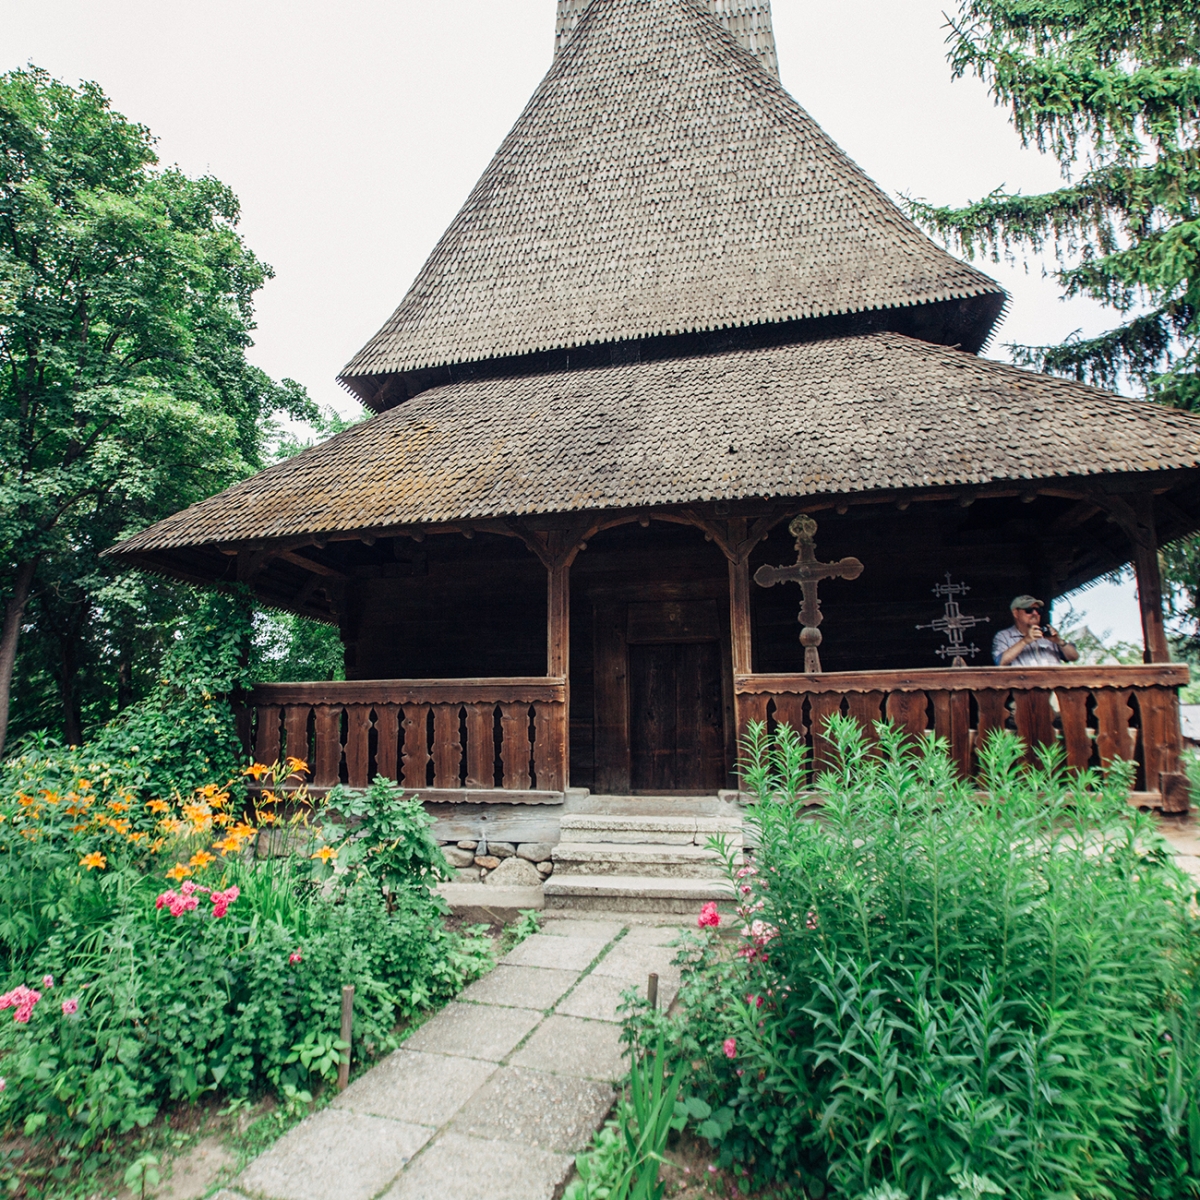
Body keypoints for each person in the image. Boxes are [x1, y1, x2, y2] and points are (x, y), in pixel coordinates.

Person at [992, 595, 1080, 666]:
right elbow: (1000, 662)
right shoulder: (1003, 636)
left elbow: (1074, 657)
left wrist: (1059, 641)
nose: (1035, 613)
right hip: (1023, 686)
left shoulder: (1048, 633)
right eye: (1028, 610)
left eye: (1038, 610)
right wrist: (1025, 641)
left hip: (1053, 685)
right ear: (1016, 613)